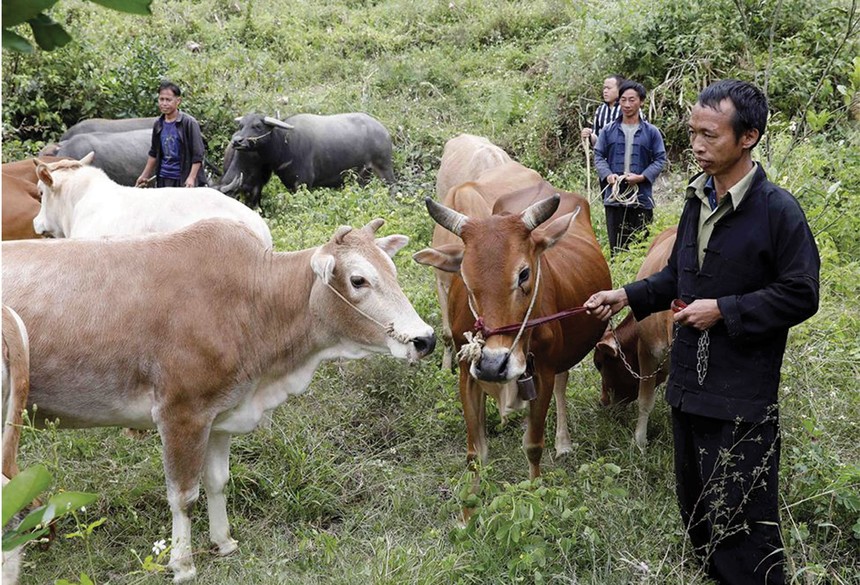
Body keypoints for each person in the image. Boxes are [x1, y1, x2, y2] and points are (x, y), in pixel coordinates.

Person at [585, 79, 820, 584]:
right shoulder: (696, 199)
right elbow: (678, 278)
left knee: (744, 522)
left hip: (742, 397)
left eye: (710, 135)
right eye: (692, 133)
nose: (696, 145)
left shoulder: (779, 212)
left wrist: (725, 310)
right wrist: (625, 295)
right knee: (697, 511)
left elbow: (802, 294)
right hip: (688, 389)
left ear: (748, 137)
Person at [594, 80, 666, 255]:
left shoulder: (651, 132)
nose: (627, 104)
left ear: (641, 101)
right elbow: (598, 156)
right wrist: (608, 175)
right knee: (616, 248)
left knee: (641, 247)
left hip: (641, 198)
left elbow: (660, 159)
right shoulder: (608, 130)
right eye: (623, 100)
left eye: (632, 100)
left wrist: (642, 177)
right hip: (614, 197)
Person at [136, 80, 207, 188]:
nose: (164, 103)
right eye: (161, 99)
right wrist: (145, 175)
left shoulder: (188, 123)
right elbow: (154, 153)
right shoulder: (158, 124)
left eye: (168, 100)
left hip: (182, 178)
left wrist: (191, 177)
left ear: (178, 101)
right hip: (163, 177)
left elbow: (198, 154)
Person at [581, 74, 625, 147]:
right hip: (605, 157)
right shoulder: (600, 110)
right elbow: (597, 140)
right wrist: (589, 135)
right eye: (604, 88)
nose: (605, 91)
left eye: (609, 88)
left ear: (620, 89)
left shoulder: (630, 109)